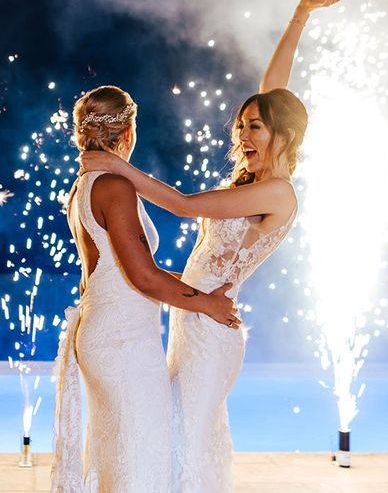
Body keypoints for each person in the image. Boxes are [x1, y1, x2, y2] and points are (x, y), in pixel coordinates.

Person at [79, 0, 341, 492]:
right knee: (174, 433)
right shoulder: (257, 179)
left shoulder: (278, 194)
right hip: (192, 315)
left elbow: (182, 205)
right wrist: (300, 15)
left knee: (191, 438)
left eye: (255, 128)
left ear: (282, 135)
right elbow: (275, 89)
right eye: (241, 125)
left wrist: (118, 168)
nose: (242, 135)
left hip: (210, 322)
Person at [51, 85, 241, 493]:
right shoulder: (113, 187)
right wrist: (207, 304)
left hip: (107, 335)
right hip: (123, 347)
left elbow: (123, 272)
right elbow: (143, 277)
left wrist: (198, 285)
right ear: (127, 132)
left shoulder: (84, 185)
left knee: (125, 460)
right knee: (143, 463)